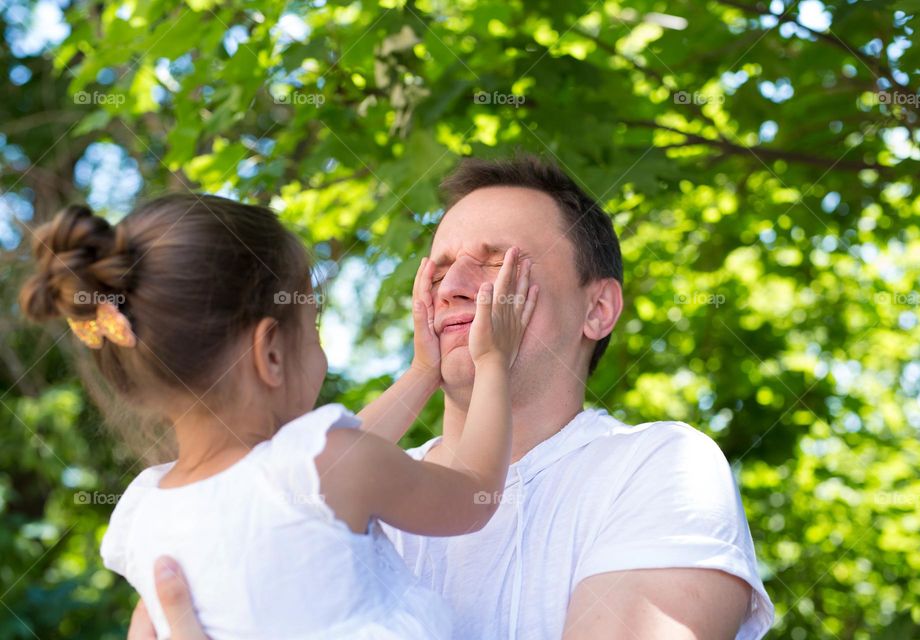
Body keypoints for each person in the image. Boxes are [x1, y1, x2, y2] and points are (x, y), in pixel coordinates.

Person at [133, 156, 775, 639]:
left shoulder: (659, 467)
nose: (453, 287)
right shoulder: (344, 480)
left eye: (498, 266)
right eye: (438, 270)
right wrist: (422, 371)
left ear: (598, 309)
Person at [18, 194, 539, 639]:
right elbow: (472, 493)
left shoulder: (148, 512)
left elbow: (332, 465)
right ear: (270, 352)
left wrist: (424, 372)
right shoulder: (327, 468)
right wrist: (493, 360)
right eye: (313, 326)